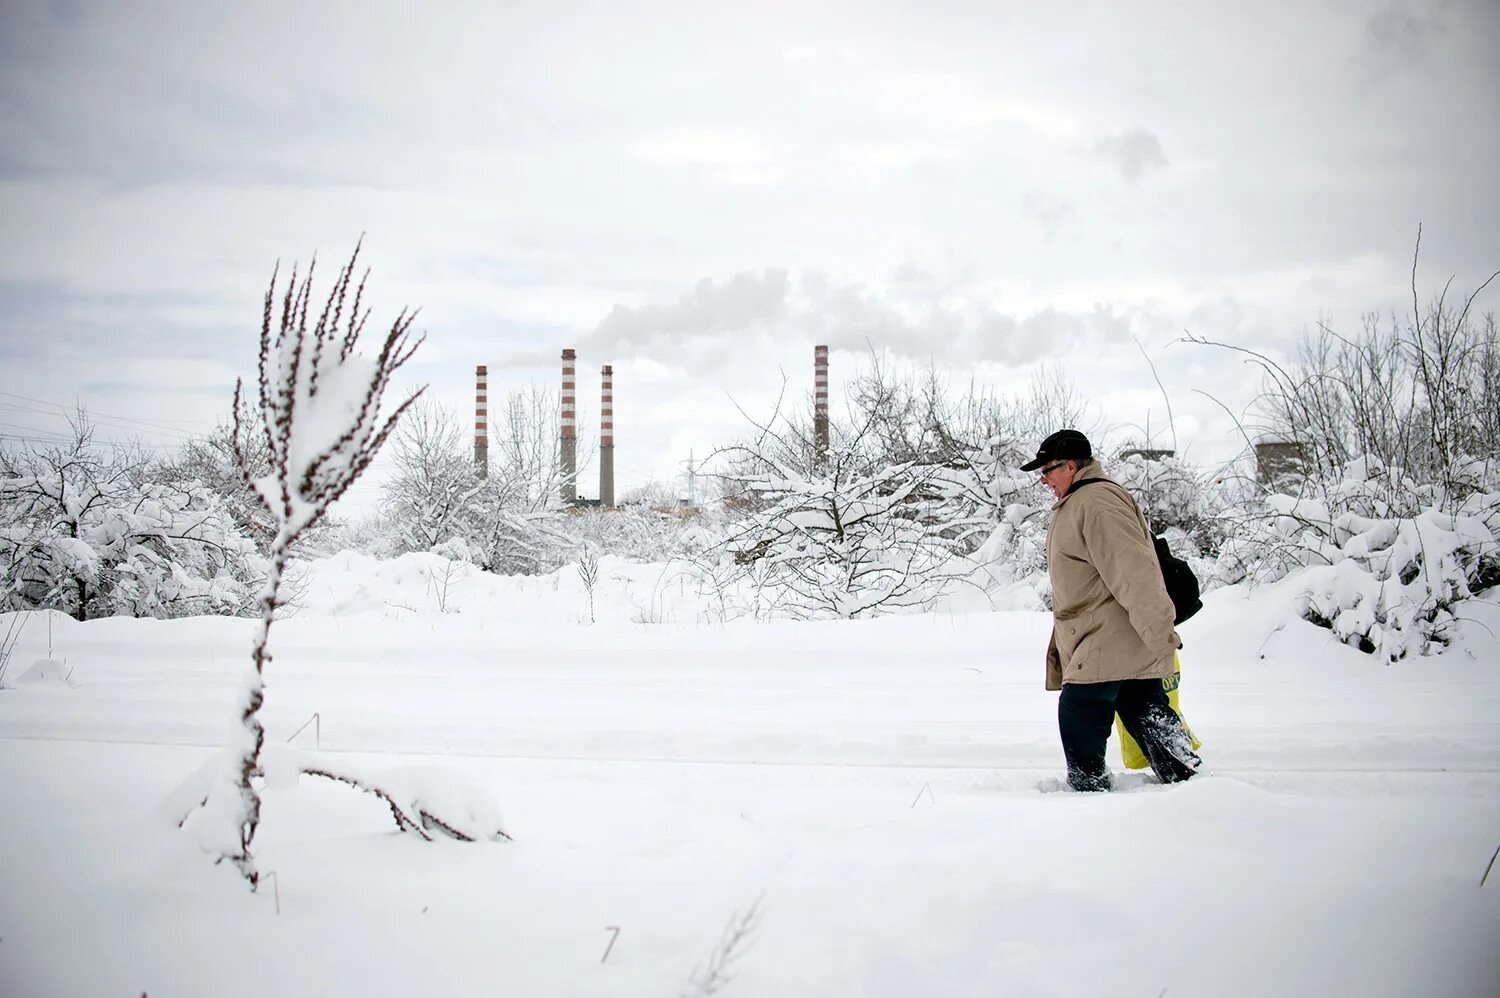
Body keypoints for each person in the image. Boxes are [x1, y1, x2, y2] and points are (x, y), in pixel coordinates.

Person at [1022, 429, 1202, 791]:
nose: (1043, 480)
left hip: (1107, 634)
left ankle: (1089, 792)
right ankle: (1189, 782)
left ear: (1071, 466)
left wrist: (1159, 631)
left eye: (1048, 470)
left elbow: (1134, 571)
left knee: (1080, 710)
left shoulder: (1097, 502)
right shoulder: (1080, 501)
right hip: (1105, 633)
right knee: (1141, 705)